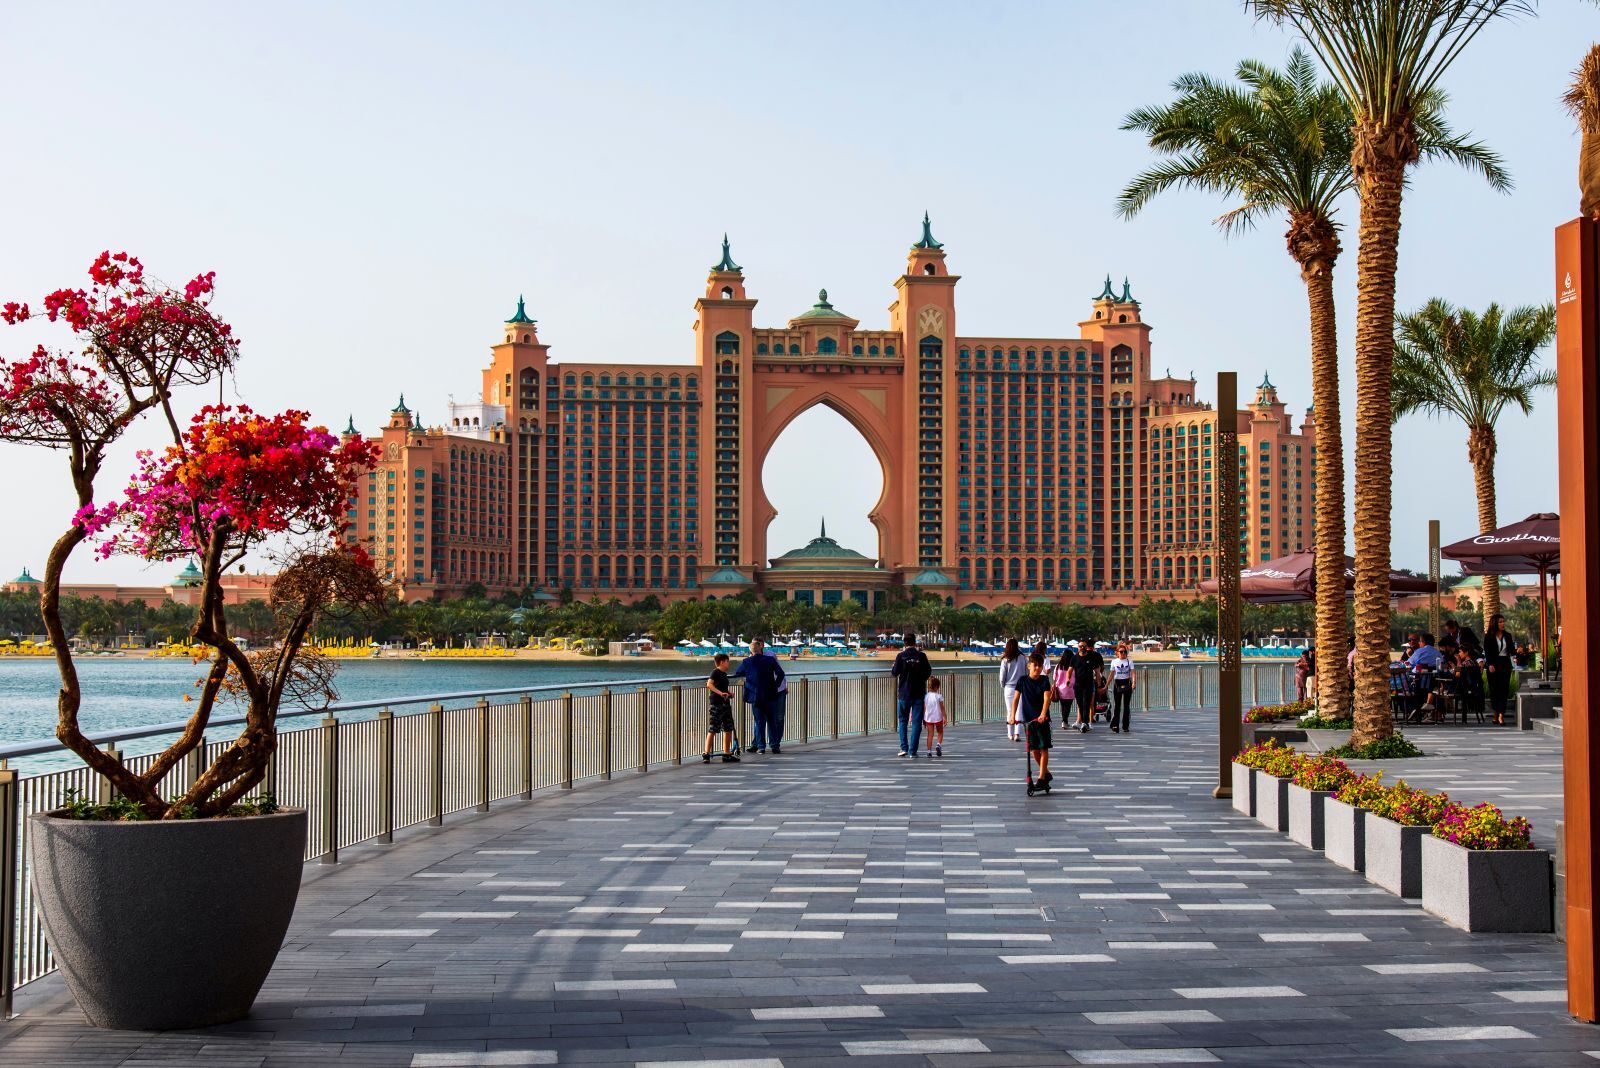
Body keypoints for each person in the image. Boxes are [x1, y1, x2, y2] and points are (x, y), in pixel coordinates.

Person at [734, 637, 785, 754]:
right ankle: (775, 746)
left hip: (755, 695)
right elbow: (781, 673)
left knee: (759, 721)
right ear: (760, 649)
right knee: (772, 721)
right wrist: (775, 686)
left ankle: (761, 747)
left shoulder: (747, 661)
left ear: (751, 651)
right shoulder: (770, 660)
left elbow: (738, 672)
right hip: (770, 695)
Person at [892, 632, 933, 757]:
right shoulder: (921, 656)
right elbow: (928, 673)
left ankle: (904, 747)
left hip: (904, 694)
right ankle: (912, 751)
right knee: (916, 723)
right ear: (915, 643)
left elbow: (894, 673)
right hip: (918, 693)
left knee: (903, 721)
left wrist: (894, 667)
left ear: (905, 643)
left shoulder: (901, 656)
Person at [1018, 653, 1054, 786]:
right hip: (1029, 720)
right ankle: (1046, 772)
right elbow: (1016, 698)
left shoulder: (1044, 680)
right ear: (1029, 666)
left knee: (1043, 747)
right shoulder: (1022, 681)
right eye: (1035, 665)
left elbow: (1047, 698)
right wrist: (1011, 716)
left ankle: (1041, 778)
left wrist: (1043, 714)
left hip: (1042, 720)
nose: (1038, 668)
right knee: (1034, 750)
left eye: (1040, 665)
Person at [702, 653, 740, 763]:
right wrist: (720, 693)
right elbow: (709, 684)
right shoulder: (715, 672)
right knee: (713, 728)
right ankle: (706, 753)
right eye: (728, 661)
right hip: (716, 704)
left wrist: (728, 693)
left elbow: (723, 688)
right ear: (722, 662)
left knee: (728, 728)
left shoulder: (724, 674)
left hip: (725, 704)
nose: (729, 663)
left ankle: (727, 753)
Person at [1484, 613, 1517, 726]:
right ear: (1495, 623)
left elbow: (1512, 650)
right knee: (1494, 691)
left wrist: (1519, 651)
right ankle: (1495, 713)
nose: (1503, 624)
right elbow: (1487, 652)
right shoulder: (1488, 636)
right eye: (1500, 622)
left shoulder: (1507, 635)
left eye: (1503, 621)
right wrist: (1489, 664)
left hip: (1505, 664)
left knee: (1504, 690)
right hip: (1493, 665)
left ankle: (1501, 715)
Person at [1073, 637, 1104, 733]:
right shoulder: (1096, 655)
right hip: (1090, 681)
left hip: (1089, 682)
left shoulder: (1086, 656)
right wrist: (1099, 679)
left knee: (1083, 703)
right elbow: (1101, 668)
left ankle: (1082, 721)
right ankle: (1088, 721)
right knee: (1088, 702)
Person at [998, 638, 1027, 742]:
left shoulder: (1005, 659)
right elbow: (1026, 672)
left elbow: (1002, 676)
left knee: (1010, 710)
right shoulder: (1023, 658)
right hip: (1020, 687)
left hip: (1009, 688)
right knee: (1019, 710)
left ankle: (1010, 733)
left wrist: (1003, 685)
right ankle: (1017, 733)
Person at [1108, 642, 1136, 733]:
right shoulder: (1114, 662)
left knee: (1126, 706)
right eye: (1121, 652)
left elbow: (1133, 673)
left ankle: (1125, 726)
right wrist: (1106, 686)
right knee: (1117, 706)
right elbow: (1111, 675)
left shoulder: (1129, 661)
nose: (1123, 654)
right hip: (1117, 684)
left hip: (1127, 682)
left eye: (1125, 652)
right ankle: (1115, 725)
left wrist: (1134, 683)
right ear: (1117, 653)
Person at [1051, 655, 1076, 730]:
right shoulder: (1073, 666)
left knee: (1063, 706)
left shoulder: (1058, 666)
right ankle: (1065, 721)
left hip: (1060, 689)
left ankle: (1064, 721)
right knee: (1068, 706)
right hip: (1070, 688)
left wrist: (1054, 684)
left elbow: (1054, 677)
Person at [923, 676, 947, 757]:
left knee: (930, 734)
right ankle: (938, 745)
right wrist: (945, 717)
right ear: (937, 687)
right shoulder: (939, 696)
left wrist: (923, 717)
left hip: (929, 718)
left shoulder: (926, 696)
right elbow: (942, 708)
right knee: (940, 732)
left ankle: (929, 751)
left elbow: (924, 707)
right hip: (938, 717)